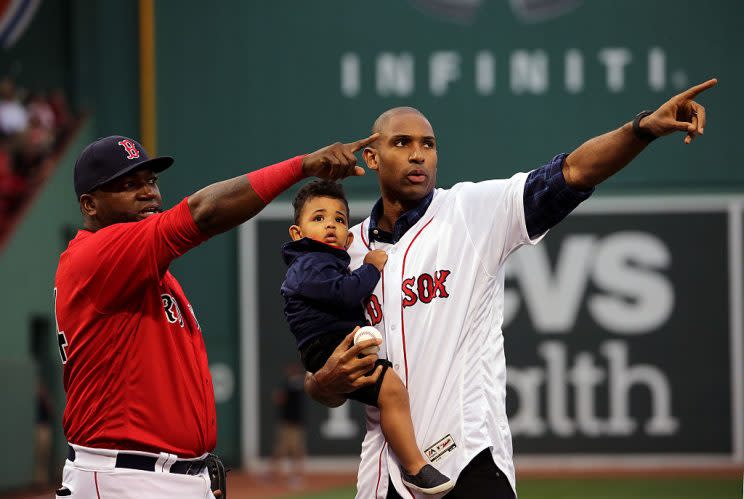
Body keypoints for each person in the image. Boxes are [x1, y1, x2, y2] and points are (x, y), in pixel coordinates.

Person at [305, 79, 718, 498]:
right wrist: (323, 383)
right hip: (382, 475)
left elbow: (571, 172)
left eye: (428, 145)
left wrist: (642, 128)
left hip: (469, 460)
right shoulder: (346, 254)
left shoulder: (472, 212)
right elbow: (322, 377)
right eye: (402, 142)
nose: (418, 154)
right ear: (372, 157)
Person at [53, 132, 381, 499]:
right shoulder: (98, 256)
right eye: (128, 185)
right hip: (125, 477)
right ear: (90, 205)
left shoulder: (143, 272)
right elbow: (202, 213)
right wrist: (301, 166)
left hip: (165, 475)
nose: (148, 192)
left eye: (151, 181)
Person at [281, 180, 453, 494]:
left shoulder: (323, 261)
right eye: (318, 218)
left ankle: (415, 465)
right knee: (392, 392)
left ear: (348, 237)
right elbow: (345, 294)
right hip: (328, 347)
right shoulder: (309, 263)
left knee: (391, 392)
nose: (329, 224)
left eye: (338, 219)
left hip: (333, 342)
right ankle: (415, 467)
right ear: (297, 233)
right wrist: (370, 268)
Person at [269, 362, 307, 488]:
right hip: (288, 423)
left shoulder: (295, 385)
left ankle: (297, 477)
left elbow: (279, 398)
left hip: (294, 424)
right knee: (281, 450)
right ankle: (274, 474)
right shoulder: (292, 384)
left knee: (296, 451)